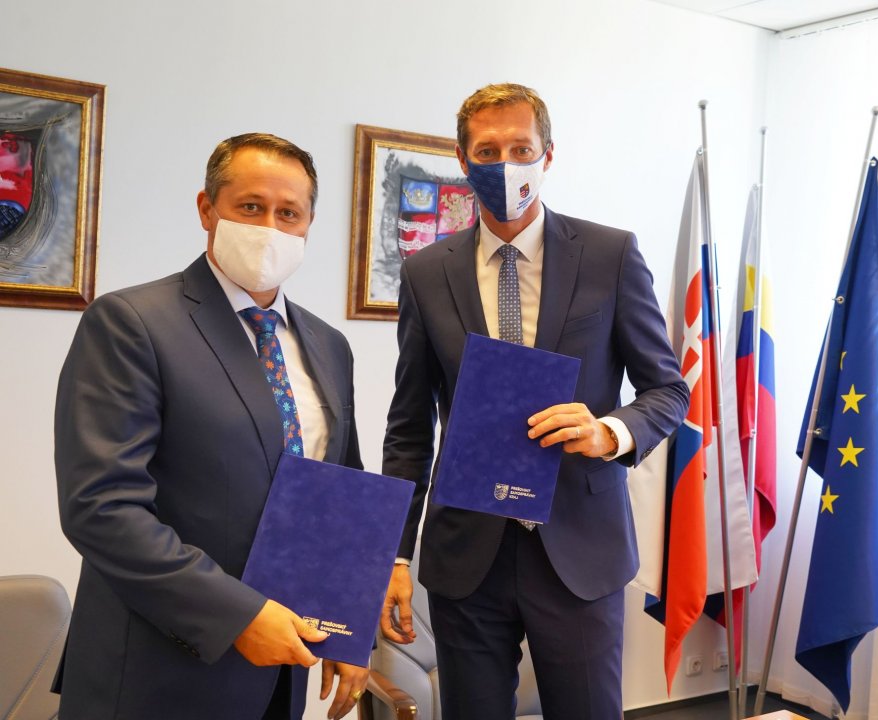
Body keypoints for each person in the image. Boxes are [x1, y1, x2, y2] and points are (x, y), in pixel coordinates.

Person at [378, 84, 690, 719]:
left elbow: (668, 389)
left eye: (521, 149)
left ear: (548, 155)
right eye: (487, 151)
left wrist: (610, 432)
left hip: (580, 544)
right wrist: (395, 551)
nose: (505, 164)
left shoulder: (610, 255)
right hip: (468, 553)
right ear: (463, 160)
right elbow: (409, 426)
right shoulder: (426, 272)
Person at [54, 133, 368, 720]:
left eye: (289, 213)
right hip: (159, 671)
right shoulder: (131, 323)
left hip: (283, 670)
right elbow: (101, 508)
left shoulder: (329, 346)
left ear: (309, 225)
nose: (270, 227)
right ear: (207, 209)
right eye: (250, 206)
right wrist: (239, 616)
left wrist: (349, 623)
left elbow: (339, 495)